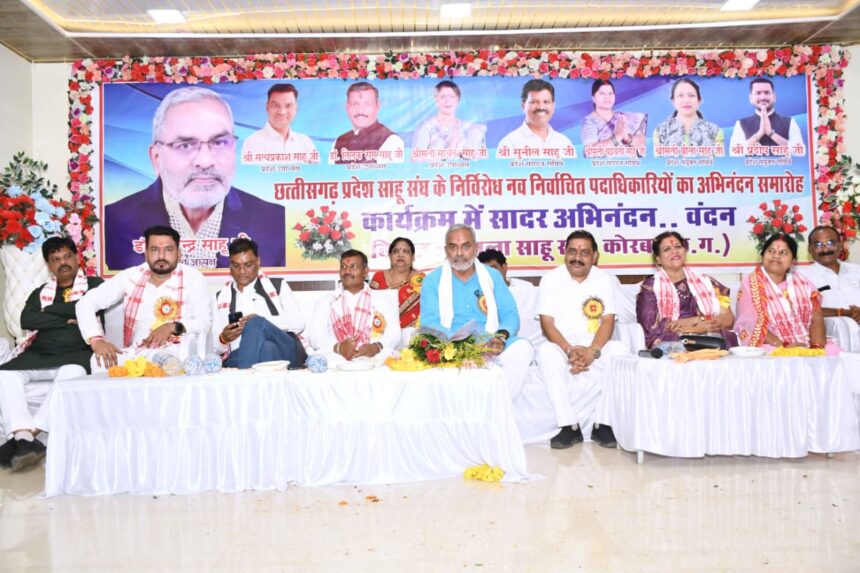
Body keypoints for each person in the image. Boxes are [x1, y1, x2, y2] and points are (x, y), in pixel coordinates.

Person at [104, 86, 286, 270]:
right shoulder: (113, 221)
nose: (205, 161)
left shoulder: (275, 221)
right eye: (185, 145)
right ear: (156, 158)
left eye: (219, 142)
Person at [0, 237, 104, 471]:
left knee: (72, 375)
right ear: (49, 265)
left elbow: (85, 307)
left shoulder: (95, 285)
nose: (62, 262)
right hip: (40, 353)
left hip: (76, 354)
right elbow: (27, 319)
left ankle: (28, 435)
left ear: (77, 258)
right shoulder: (40, 292)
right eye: (55, 259)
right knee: (5, 374)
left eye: (67, 256)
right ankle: (25, 437)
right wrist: (66, 318)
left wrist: (50, 311)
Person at [536, 230, 627, 449]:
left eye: (584, 253)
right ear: (565, 253)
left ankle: (603, 424)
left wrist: (592, 351)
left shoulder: (604, 280)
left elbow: (607, 321)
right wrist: (569, 350)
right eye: (572, 251)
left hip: (595, 345)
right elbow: (547, 323)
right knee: (545, 353)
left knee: (620, 351)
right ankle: (569, 426)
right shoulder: (550, 279)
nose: (577, 257)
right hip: (562, 346)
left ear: (595, 256)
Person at [419, 224, 533, 400]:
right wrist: (462, 346)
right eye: (453, 247)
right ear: (446, 250)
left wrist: (500, 337)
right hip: (451, 345)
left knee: (522, 348)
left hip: (490, 342)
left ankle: (500, 405)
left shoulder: (492, 276)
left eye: (466, 246)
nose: (459, 253)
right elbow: (429, 322)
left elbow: (510, 314)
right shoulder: (433, 280)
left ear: (475, 248)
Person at [76, 225, 212, 370]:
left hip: (177, 351)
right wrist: (96, 340)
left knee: (166, 361)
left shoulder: (194, 279)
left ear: (178, 253)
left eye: (168, 250)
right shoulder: (131, 276)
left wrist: (172, 327)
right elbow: (86, 303)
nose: (161, 256)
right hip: (137, 353)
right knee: (99, 362)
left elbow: (204, 323)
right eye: (154, 250)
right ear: (146, 253)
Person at [212, 238, 307, 368]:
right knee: (267, 348)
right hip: (239, 355)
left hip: (284, 348)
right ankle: (249, 374)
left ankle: (245, 374)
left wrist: (262, 322)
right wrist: (223, 338)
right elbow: (214, 347)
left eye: (248, 265)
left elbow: (298, 323)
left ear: (258, 262)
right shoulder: (220, 298)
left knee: (255, 323)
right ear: (230, 265)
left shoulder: (278, 286)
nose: (242, 271)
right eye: (236, 266)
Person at [735, 234, 837, 353]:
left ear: (793, 261)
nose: (776, 256)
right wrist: (784, 346)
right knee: (773, 355)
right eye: (771, 251)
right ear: (762, 256)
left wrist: (816, 348)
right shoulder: (751, 285)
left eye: (783, 253)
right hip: (769, 344)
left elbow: (816, 318)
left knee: (833, 351)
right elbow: (750, 324)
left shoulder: (803, 283)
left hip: (804, 342)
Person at [636, 231, 737, 349]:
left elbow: (728, 319)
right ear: (658, 259)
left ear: (684, 251)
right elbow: (651, 329)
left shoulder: (706, 282)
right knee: (675, 342)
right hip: (675, 340)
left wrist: (698, 320)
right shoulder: (650, 288)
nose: (674, 251)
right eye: (667, 249)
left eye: (678, 246)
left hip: (709, 333)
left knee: (728, 337)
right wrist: (696, 328)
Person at [307, 249, 401, 365]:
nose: (347, 271)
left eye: (353, 266)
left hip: (374, 358)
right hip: (336, 359)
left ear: (365, 271)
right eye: (343, 267)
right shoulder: (325, 302)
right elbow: (315, 337)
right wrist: (338, 347)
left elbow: (394, 333)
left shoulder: (382, 299)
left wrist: (376, 347)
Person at [477, 248, 544, 347]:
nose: (490, 274)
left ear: (504, 267)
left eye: (493, 268)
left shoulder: (526, 288)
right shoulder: (479, 295)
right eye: (485, 271)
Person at [496, 79, 576, 157]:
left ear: (553, 105)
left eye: (546, 102)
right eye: (534, 102)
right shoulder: (509, 145)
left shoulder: (565, 144)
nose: (541, 107)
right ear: (523, 106)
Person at [240, 83, 319, 163]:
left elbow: (318, 170)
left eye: (288, 106)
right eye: (275, 105)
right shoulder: (252, 142)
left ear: (296, 108)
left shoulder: (305, 142)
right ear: (267, 107)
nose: (282, 112)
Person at [330, 82, 404, 164]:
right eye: (354, 104)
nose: (360, 110)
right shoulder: (339, 141)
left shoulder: (391, 141)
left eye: (367, 104)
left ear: (377, 106)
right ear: (347, 106)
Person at [411, 80, 487, 161]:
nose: (447, 101)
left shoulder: (469, 128)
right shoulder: (426, 127)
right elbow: (416, 159)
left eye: (451, 96)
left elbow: (482, 159)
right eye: (443, 97)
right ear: (436, 99)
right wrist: (449, 150)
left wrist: (462, 152)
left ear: (458, 99)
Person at [798, 226, 860, 323]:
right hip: (828, 332)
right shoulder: (801, 276)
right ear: (810, 249)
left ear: (840, 246)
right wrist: (846, 313)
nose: (825, 249)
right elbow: (801, 309)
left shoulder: (857, 271)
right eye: (818, 244)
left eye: (830, 243)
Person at [729, 78, 805, 155]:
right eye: (758, 93)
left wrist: (771, 134)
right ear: (751, 98)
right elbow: (734, 153)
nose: (763, 97)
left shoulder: (789, 122)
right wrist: (759, 134)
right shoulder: (741, 123)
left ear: (774, 97)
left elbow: (800, 152)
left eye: (767, 92)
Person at [369, 237, 425, 329]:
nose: (400, 255)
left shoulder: (421, 280)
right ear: (390, 255)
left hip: (413, 332)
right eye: (395, 251)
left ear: (412, 257)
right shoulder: (379, 277)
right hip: (382, 330)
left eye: (406, 251)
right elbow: (370, 306)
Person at [653, 78, 723, 147]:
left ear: (699, 100)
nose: (686, 100)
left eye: (691, 95)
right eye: (680, 96)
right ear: (673, 101)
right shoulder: (660, 132)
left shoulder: (714, 131)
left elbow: (719, 154)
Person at [580, 79, 647, 150]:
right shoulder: (589, 121)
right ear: (593, 98)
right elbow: (589, 150)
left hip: (628, 157)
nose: (607, 97)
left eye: (610, 93)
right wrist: (617, 138)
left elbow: (642, 143)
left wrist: (627, 138)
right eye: (602, 93)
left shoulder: (622, 117)